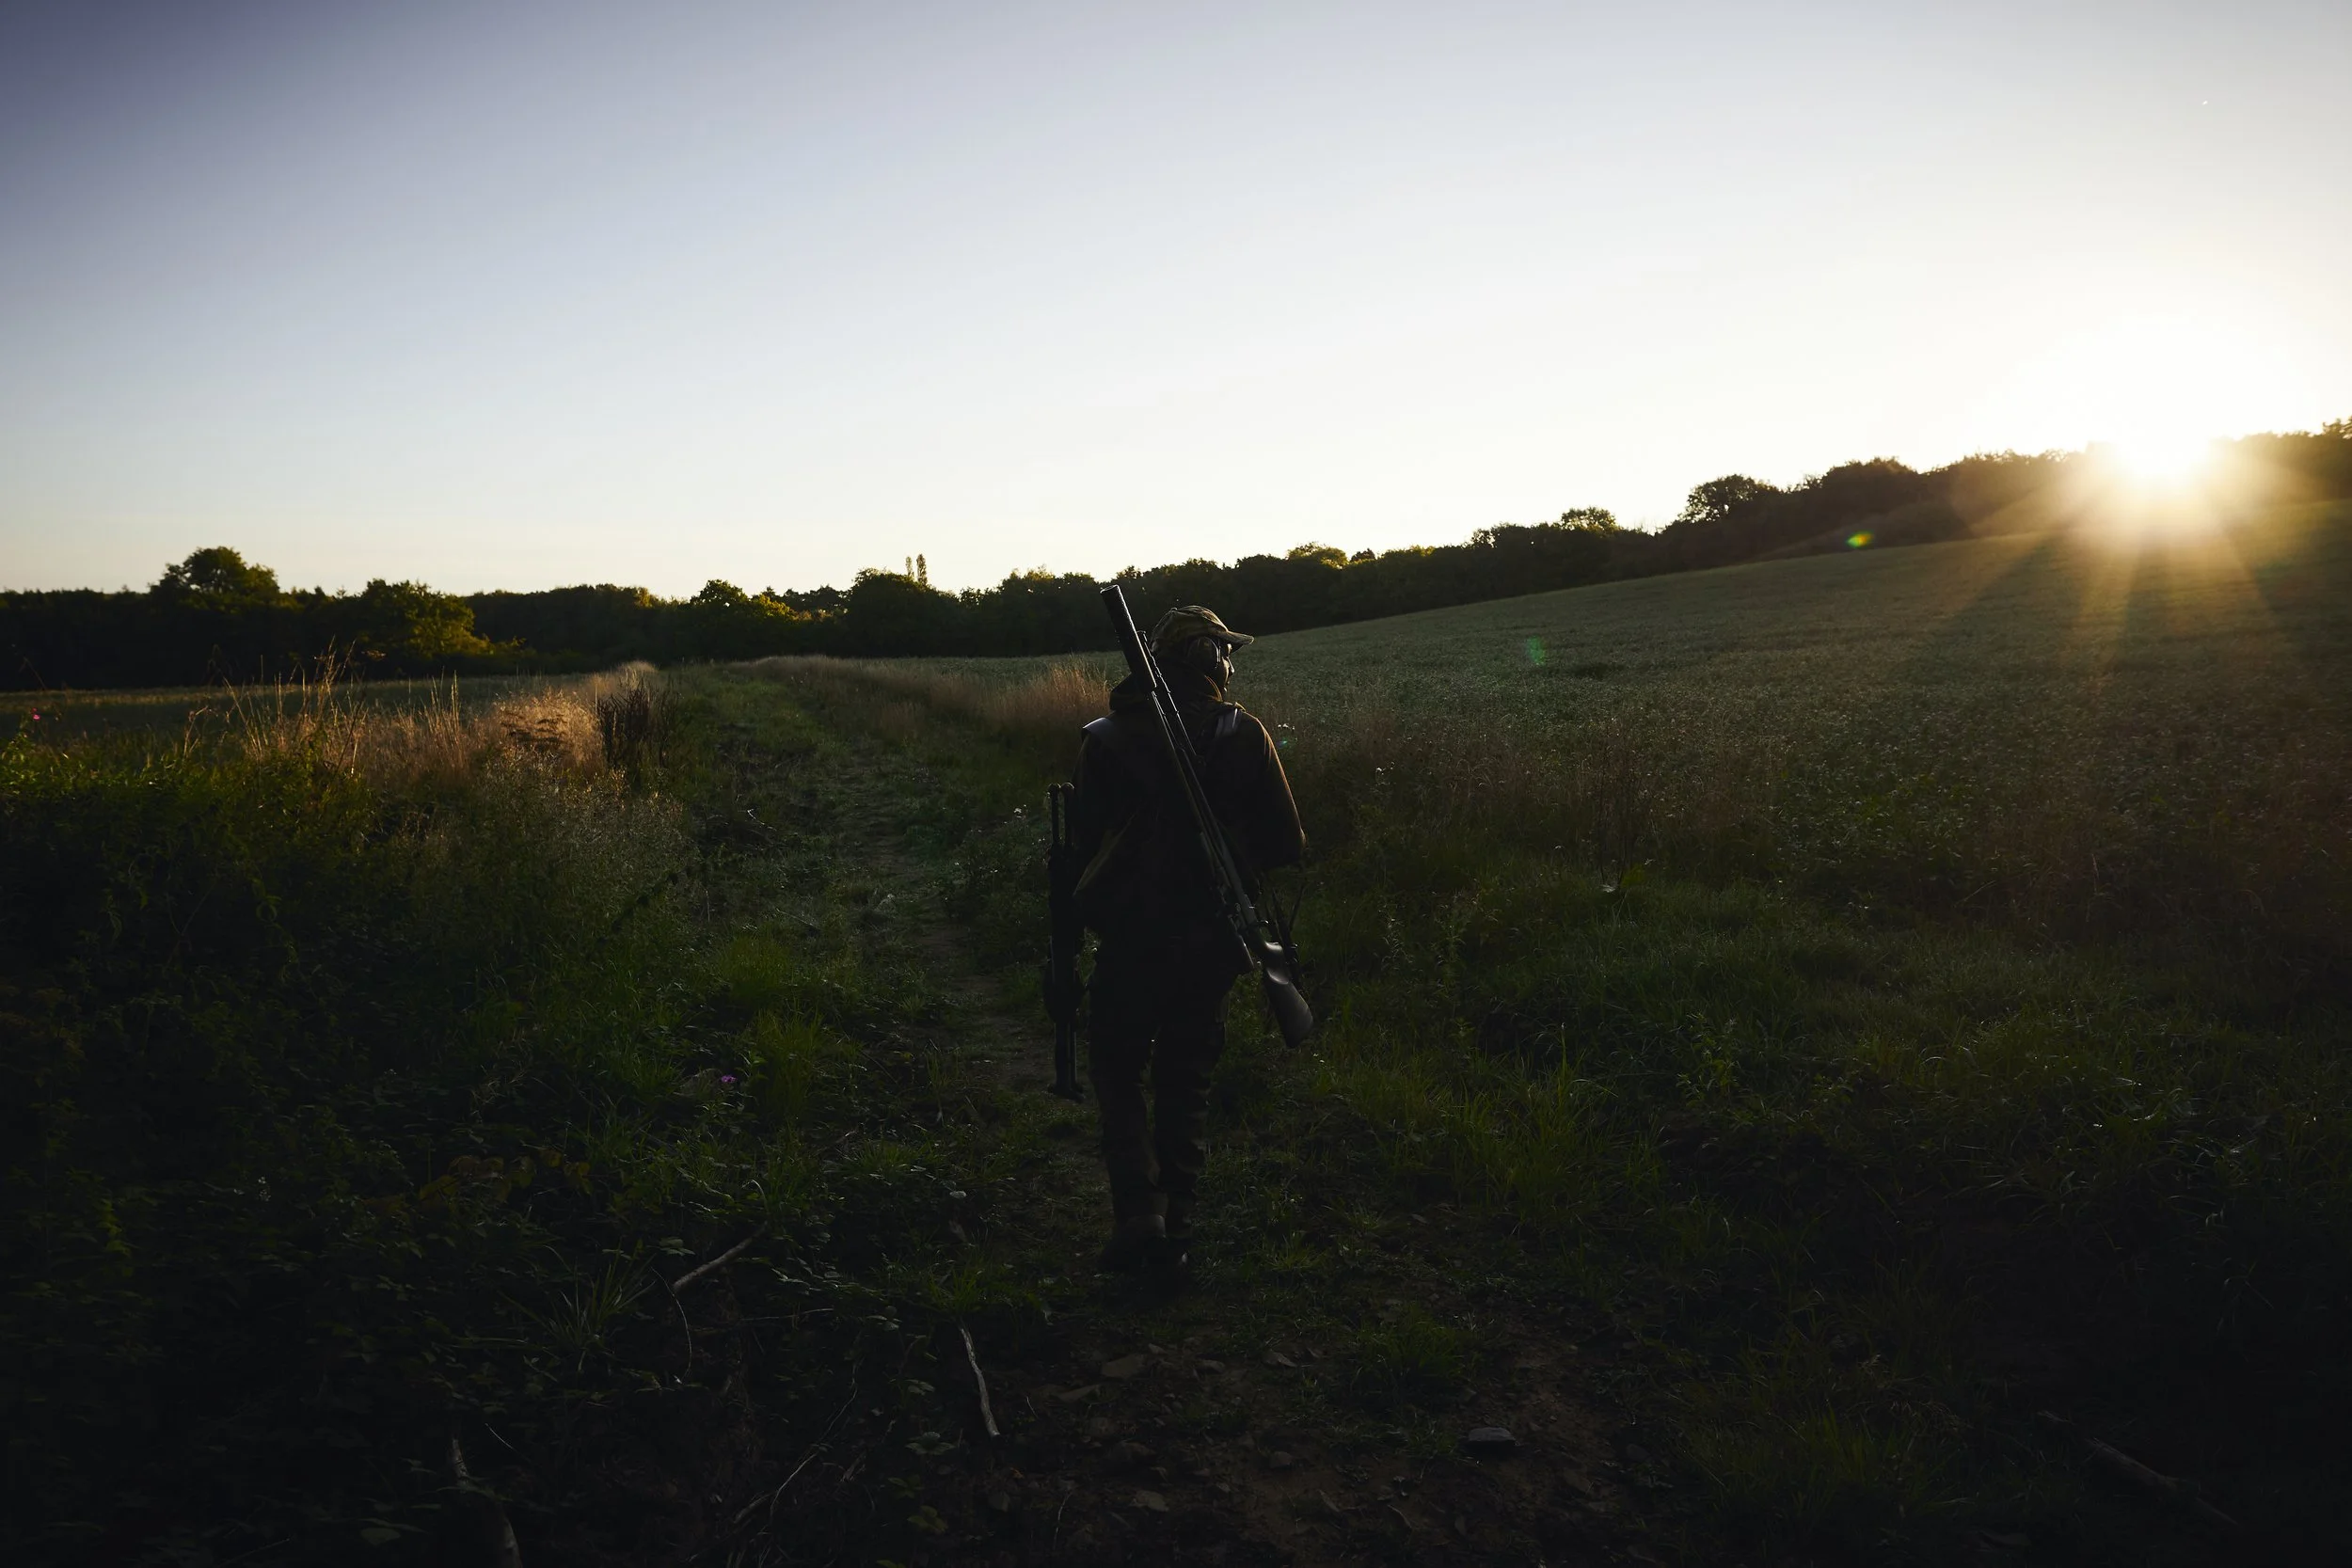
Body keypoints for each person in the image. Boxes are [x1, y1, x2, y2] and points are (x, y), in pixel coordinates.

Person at [1068, 605, 1304, 1274]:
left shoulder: (1106, 737)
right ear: (1207, 659)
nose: (1231, 664)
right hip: (1212, 936)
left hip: (1131, 936)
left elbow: (1083, 844)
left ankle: (1138, 1210)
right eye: (1225, 651)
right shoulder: (1245, 735)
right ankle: (1179, 1215)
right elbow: (1288, 844)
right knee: (1186, 1073)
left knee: (1116, 1066)